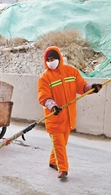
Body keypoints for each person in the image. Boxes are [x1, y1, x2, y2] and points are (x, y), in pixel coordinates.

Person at [37, 46, 102, 179]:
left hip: (68, 117)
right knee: (59, 145)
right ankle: (63, 169)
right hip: (54, 117)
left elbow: (81, 87)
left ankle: (52, 161)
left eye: (53, 58)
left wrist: (92, 88)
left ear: (59, 58)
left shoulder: (71, 72)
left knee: (61, 143)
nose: (51, 61)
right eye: (48, 59)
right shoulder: (44, 78)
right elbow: (43, 96)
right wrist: (52, 106)